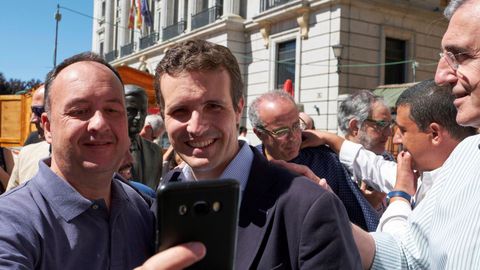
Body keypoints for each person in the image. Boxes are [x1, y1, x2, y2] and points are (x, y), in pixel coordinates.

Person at [154, 39, 361, 269]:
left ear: (238, 109)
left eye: (213, 106)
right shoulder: (162, 200)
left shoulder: (309, 206)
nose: (196, 126)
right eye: (180, 110)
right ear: (164, 117)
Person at [0, 52, 156, 269]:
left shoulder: (143, 207)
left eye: (112, 110)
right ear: (47, 127)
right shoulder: (9, 220)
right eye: (80, 111)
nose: (99, 124)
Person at [354, 1, 480, 268]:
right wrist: (321, 213)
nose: (441, 76)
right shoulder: (467, 157)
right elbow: (409, 256)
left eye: (460, 56)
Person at [303, 79, 477, 237]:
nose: (394, 138)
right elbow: (374, 167)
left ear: (434, 133)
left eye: (402, 130)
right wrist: (330, 139)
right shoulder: (418, 173)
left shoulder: (463, 196)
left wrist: (400, 196)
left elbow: (400, 251)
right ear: (355, 126)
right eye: (382, 125)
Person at [249, 91, 379, 232]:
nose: (293, 137)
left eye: (296, 126)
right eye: (281, 131)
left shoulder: (326, 161)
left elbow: (360, 217)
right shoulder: (250, 165)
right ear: (259, 134)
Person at [124, 85, 163, 190]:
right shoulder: (102, 149)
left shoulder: (155, 152)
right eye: (131, 110)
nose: (138, 117)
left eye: (143, 111)